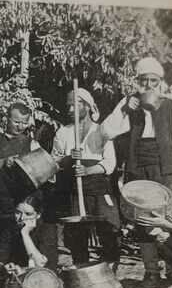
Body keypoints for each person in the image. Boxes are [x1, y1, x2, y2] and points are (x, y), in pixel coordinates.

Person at [100, 56, 172, 288]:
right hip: (138, 166)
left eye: (154, 80)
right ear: (137, 81)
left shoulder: (171, 103)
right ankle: (151, 272)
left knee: (169, 218)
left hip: (167, 166)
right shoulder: (127, 103)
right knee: (142, 219)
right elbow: (106, 132)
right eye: (144, 80)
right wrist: (124, 110)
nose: (149, 85)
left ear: (160, 82)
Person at [51, 88, 121, 267]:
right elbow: (53, 162)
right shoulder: (63, 133)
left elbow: (110, 163)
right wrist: (67, 159)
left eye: (74, 105)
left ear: (88, 106)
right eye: (69, 106)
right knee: (76, 232)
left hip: (98, 187)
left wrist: (88, 171)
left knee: (108, 228)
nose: (70, 110)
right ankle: (82, 270)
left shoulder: (102, 131)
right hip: (74, 187)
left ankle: (109, 270)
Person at [0, 102, 43, 258]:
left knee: (22, 251)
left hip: (23, 207)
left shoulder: (32, 144)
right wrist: (3, 162)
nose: (20, 126)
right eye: (16, 122)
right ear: (7, 119)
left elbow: (41, 174)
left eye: (24, 123)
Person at [0, 192, 59, 277]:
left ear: (38, 215)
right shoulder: (11, 230)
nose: (22, 218)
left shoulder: (47, 229)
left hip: (45, 279)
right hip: (19, 278)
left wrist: (25, 234)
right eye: (18, 212)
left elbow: (41, 263)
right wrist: (4, 267)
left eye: (28, 214)